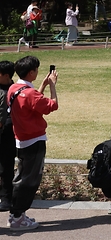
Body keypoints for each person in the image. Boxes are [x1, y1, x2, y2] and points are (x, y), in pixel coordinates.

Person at [7, 55, 58, 230]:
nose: (37, 72)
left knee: (21, 177)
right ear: (31, 72)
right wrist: (52, 86)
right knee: (30, 181)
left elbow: (33, 102)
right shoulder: (30, 94)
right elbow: (52, 105)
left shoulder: (13, 88)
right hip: (34, 141)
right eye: (36, 69)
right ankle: (18, 217)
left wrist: (42, 85)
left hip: (21, 140)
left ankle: (16, 214)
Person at [0, 60, 16, 211]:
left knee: (6, 167)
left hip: (7, 133)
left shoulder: (14, 90)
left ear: (6, 75)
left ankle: (6, 198)